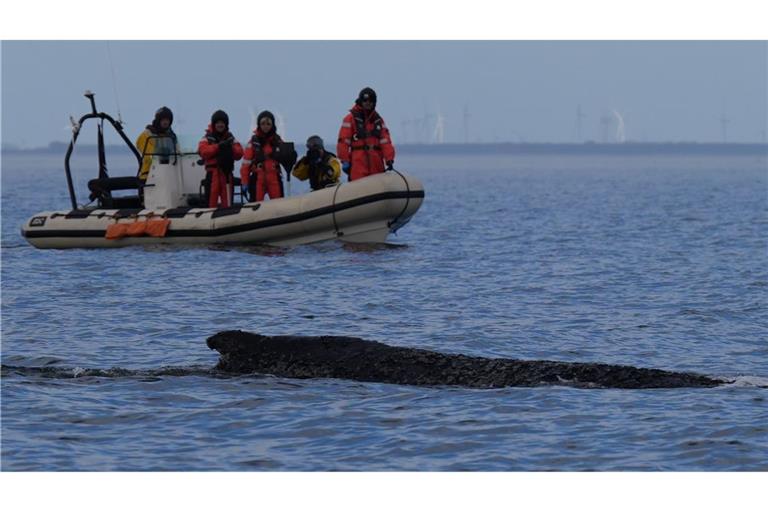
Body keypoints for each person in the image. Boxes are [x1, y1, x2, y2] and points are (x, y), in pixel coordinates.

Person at [336, 87, 396, 181]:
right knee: (358, 186)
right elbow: (343, 141)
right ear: (360, 101)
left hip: (376, 163)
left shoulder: (378, 121)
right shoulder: (350, 119)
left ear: (374, 102)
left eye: (370, 100)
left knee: (377, 185)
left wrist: (389, 159)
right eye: (365, 100)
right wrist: (345, 160)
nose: (368, 103)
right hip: (358, 163)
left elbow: (386, 142)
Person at [240, 111, 296, 202]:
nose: (265, 126)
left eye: (268, 124)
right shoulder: (253, 143)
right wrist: (244, 182)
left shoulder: (278, 141)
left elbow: (286, 157)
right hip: (258, 178)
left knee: (278, 205)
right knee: (256, 206)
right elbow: (245, 165)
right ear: (259, 125)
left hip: (274, 178)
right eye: (263, 124)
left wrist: (291, 157)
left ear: (272, 125)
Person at [198, 110, 243, 208]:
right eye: (217, 122)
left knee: (228, 204)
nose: (220, 125)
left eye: (222, 122)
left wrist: (230, 147)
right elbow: (203, 151)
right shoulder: (206, 138)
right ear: (214, 124)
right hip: (212, 174)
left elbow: (239, 154)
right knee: (211, 204)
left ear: (226, 124)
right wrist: (218, 146)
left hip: (226, 174)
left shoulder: (231, 138)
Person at [135, 106, 178, 182]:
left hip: (169, 174)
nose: (165, 122)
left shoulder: (172, 136)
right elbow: (150, 154)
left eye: (167, 120)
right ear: (158, 120)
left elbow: (177, 151)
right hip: (149, 175)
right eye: (163, 120)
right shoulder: (147, 135)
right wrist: (162, 152)